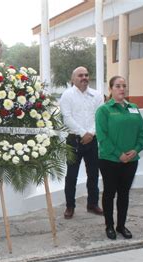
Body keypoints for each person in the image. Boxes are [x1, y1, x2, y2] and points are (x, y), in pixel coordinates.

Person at [96, 75, 143, 240]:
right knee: (109, 193)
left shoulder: (133, 108)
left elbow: (141, 133)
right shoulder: (104, 110)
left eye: (124, 86)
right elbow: (102, 137)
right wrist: (119, 154)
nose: (122, 89)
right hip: (109, 160)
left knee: (124, 194)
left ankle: (121, 226)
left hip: (131, 160)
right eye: (118, 86)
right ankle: (109, 226)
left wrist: (136, 150)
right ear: (110, 89)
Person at [60, 66, 104, 219]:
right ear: (73, 79)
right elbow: (67, 117)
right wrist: (82, 133)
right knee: (71, 176)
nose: (84, 77)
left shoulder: (97, 95)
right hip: (74, 140)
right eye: (80, 75)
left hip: (92, 140)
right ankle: (70, 206)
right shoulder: (67, 95)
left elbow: (99, 117)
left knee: (93, 174)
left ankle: (92, 204)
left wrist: (90, 133)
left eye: (86, 75)